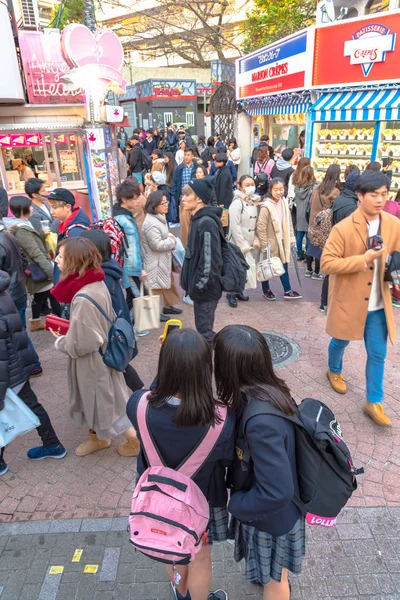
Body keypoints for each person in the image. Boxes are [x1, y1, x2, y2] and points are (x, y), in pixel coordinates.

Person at [127, 328, 234, 600]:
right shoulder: (220, 419)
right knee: (200, 558)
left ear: (164, 366)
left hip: (157, 500)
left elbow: (154, 393)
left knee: (169, 546)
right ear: (204, 370)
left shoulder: (137, 404)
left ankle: (181, 593)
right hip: (202, 503)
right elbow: (227, 459)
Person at [213, 325, 305, 600]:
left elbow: (277, 491)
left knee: (275, 581)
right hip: (280, 511)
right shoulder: (272, 390)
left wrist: (236, 505)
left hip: (271, 517)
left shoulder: (261, 421)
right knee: (273, 575)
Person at [321, 171, 400, 427]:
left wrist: (395, 278)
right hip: (351, 301)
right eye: (374, 195)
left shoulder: (393, 223)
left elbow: (396, 253)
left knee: (378, 353)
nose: (380, 200)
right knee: (340, 341)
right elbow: (327, 264)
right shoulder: (343, 227)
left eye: (384, 195)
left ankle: (373, 401)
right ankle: (334, 369)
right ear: (360, 195)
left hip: (378, 303)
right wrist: (363, 260)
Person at [50, 237, 140, 456]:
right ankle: (99, 438)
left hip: (93, 362)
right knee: (101, 401)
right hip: (100, 355)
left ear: (74, 260)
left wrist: (60, 340)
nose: (57, 260)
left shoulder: (83, 295)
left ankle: (136, 442)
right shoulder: (95, 282)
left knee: (108, 406)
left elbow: (84, 342)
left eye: (62, 256)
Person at [0, 270, 67, 475]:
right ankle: (52, 444)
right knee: (32, 405)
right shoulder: (3, 289)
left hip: (8, 369)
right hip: (17, 363)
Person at [79, 229, 144, 393]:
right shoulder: (108, 269)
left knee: (119, 365)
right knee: (121, 365)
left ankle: (141, 394)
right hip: (117, 329)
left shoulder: (101, 277)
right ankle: (142, 393)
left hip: (111, 333)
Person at [0, 203, 42, 377]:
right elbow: (23, 260)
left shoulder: (4, 238)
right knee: (19, 330)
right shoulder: (8, 235)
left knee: (17, 333)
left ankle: (33, 365)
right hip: (17, 290)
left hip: (10, 294)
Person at [181, 178, 223, 349]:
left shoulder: (205, 223)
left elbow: (209, 262)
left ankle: (215, 365)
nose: (183, 198)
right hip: (202, 291)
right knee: (203, 330)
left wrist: (198, 287)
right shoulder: (197, 219)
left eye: (187, 195)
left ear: (199, 198)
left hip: (205, 292)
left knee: (205, 333)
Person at [9, 196, 58, 331]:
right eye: (30, 206)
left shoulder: (25, 225)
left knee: (43, 295)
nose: (32, 209)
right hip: (38, 268)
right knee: (49, 294)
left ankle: (37, 322)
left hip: (37, 268)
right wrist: (50, 271)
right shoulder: (22, 230)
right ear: (23, 209)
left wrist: (41, 235)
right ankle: (60, 322)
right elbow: (35, 252)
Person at [319, 171, 361, 312]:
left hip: (334, 239)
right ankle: (332, 304)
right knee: (338, 274)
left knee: (330, 273)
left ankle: (324, 303)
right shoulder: (352, 207)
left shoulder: (340, 198)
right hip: (343, 244)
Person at [256, 178, 302, 301]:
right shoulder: (266, 206)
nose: (279, 192)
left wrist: (292, 238)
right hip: (271, 242)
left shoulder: (284, 202)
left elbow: (289, 223)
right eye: (276, 190)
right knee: (267, 266)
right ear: (270, 190)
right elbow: (261, 227)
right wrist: (264, 244)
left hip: (283, 240)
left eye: (281, 189)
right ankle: (266, 290)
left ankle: (287, 290)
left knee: (284, 265)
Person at [142, 190, 182, 319]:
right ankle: (155, 313)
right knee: (156, 288)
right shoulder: (150, 222)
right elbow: (156, 245)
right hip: (155, 261)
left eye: (167, 202)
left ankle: (168, 306)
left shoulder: (159, 217)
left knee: (167, 283)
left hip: (161, 259)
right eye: (163, 203)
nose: (166, 205)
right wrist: (172, 241)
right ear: (154, 205)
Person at [113, 179, 146, 313]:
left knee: (133, 299)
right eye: (134, 198)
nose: (137, 201)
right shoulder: (123, 220)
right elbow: (128, 250)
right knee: (135, 300)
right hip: (129, 269)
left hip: (129, 268)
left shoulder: (122, 216)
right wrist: (139, 270)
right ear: (123, 199)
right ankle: (131, 329)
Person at [227, 175, 259, 308]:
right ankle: (231, 293)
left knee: (245, 268)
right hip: (238, 242)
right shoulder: (237, 203)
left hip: (250, 241)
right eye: (247, 184)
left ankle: (239, 290)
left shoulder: (253, 201)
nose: (251, 186)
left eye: (252, 183)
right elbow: (235, 226)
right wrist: (242, 244)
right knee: (235, 268)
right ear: (240, 186)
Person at [47, 188, 90, 284]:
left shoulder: (75, 232)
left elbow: (76, 265)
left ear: (67, 207)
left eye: (54, 207)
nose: (51, 211)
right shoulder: (66, 225)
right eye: (50, 207)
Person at [306, 164, 341, 281]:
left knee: (311, 244)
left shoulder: (317, 187)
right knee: (320, 246)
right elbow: (333, 207)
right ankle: (316, 272)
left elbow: (311, 202)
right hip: (324, 222)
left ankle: (308, 270)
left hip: (312, 219)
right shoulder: (335, 191)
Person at [171, 147, 197, 237]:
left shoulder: (197, 168)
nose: (186, 157)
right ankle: (186, 246)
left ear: (192, 156)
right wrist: (175, 198)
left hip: (195, 198)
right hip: (183, 198)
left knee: (196, 222)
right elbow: (174, 184)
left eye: (188, 155)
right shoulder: (179, 169)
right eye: (185, 155)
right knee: (185, 224)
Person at [293, 165, 316, 263]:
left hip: (299, 213)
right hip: (308, 214)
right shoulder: (313, 188)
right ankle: (308, 255)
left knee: (299, 234)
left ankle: (299, 253)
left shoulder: (297, 188)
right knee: (308, 236)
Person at [287, 157, 311, 227]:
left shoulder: (294, 175)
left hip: (294, 202)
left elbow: (290, 189)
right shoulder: (308, 176)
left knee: (294, 222)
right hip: (304, 204)